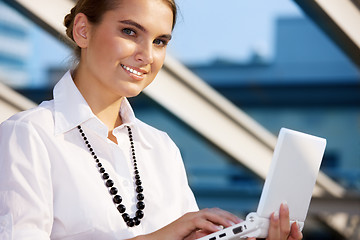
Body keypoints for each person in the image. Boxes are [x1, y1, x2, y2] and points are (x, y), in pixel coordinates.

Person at [0, 0, 303, 239]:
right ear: (83, 30)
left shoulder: (160, 147)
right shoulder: (29, 135)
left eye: (160, 41)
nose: (147, 55)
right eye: (130, 32)